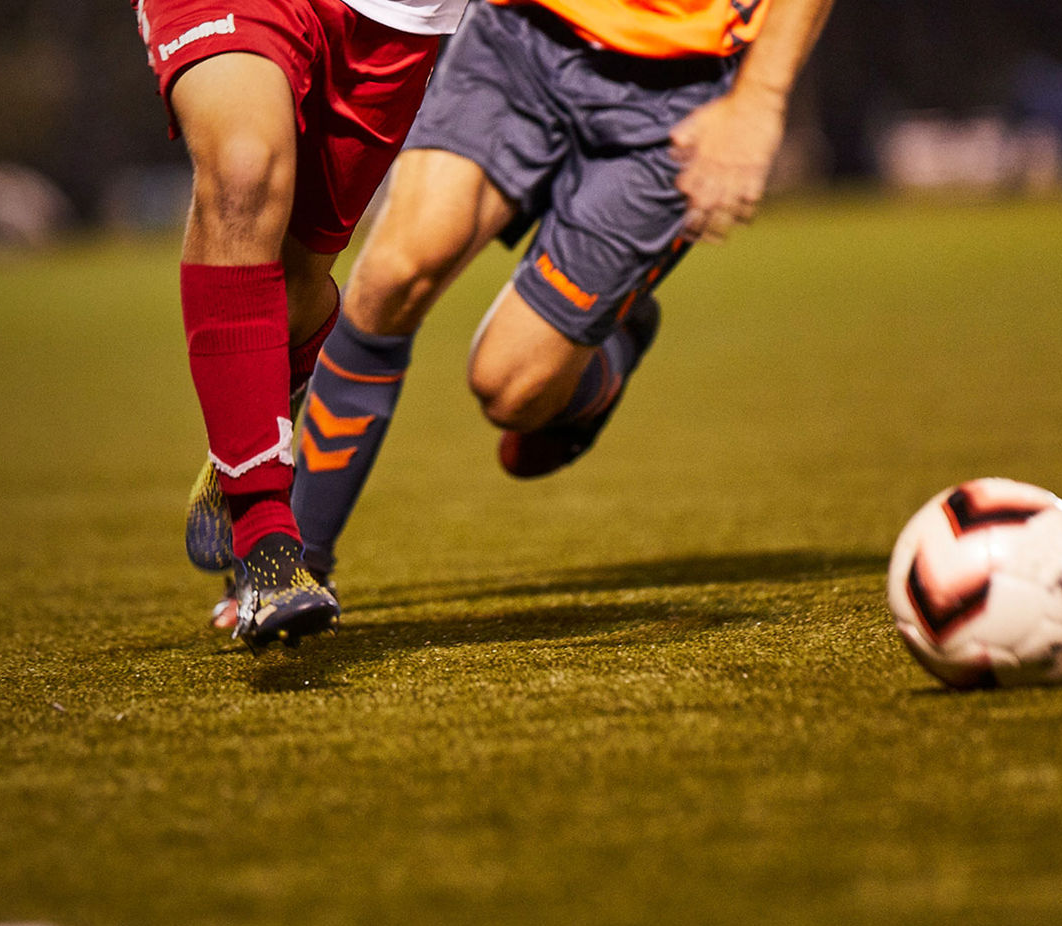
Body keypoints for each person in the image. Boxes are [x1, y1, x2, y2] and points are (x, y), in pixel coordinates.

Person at [188, 0, 836, 632]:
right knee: (391, 276)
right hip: (519, 35)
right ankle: (294, 564)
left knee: (510, 386)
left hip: (681, 87)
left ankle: (610, 353)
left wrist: (759, 100)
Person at [132, 0, 470, 650]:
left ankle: (258, 410)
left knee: (296, 286)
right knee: (242, 171)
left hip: (393, 16)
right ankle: (266, 544)